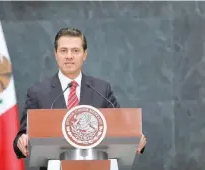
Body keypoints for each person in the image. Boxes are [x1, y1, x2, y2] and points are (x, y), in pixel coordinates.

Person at [13, 28, 146, 169]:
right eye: (63, 51)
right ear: (56, 54)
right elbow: (22, 135)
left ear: (85, 55)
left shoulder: (101, 89)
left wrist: (137, 138)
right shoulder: (38, 92)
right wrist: (21, 142)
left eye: (75, 51)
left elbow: (122, 129)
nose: (69, 56)